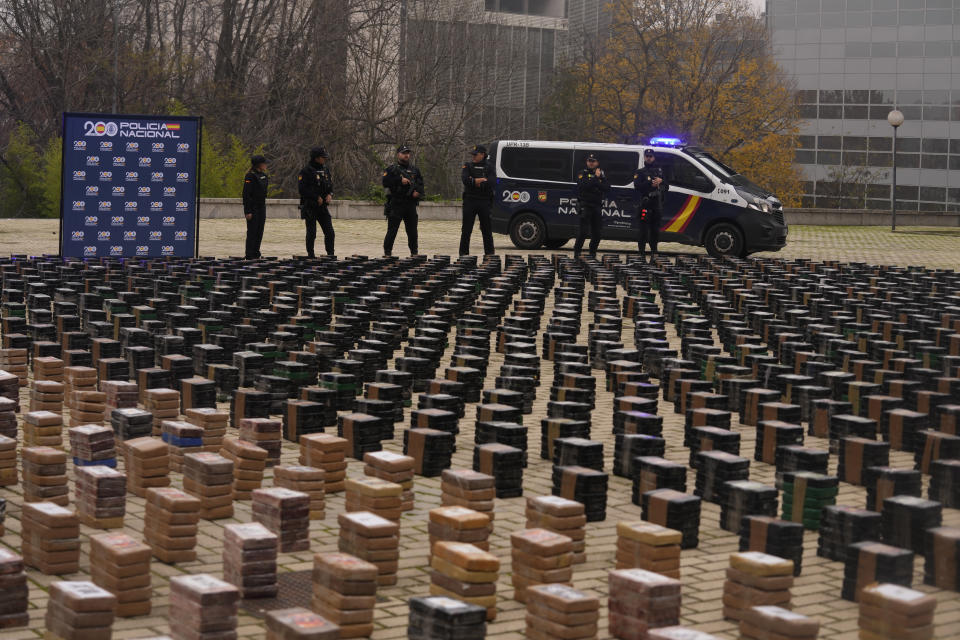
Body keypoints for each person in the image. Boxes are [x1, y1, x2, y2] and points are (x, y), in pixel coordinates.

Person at [382, 144, 424, 256]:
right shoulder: (392, 169)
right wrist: (399, 180)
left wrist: (418, 193)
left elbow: (421, 184)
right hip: (397, 203)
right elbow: (385, 182)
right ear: (398, 154)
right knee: (392, 231)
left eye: (408, 153)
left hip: (410, 204)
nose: (406, 155)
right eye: (404, 153)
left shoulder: (415, 170)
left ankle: (414, 253)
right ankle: (387, 252)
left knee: (412, 232)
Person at [297, 146, 335, 257]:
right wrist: (315, 197)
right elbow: (302, 189)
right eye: (323, 157)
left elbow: (330, 186)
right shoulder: (306, 171)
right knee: (311, 233)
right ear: (316, 158)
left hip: (323, 207)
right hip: (311, 206)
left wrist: (330, 194)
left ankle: (330, 254)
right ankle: (311, 254)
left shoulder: (325, 170)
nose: (325, 159)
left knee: (330, 232)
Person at [633, 147, 669, 263]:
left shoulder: (660, 171)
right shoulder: (640, 172)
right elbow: (637, 186)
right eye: (647, 156)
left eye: (651, 156)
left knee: (655, 232)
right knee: (643, 232)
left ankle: (654, 253)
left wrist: (661, 182)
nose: (649, 158)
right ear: (644, 158)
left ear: (654, 158)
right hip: (645, 204)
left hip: (656, 205)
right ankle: (641, 254)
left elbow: (666, 187)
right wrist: (650, 183)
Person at [458, 144, 495, 257]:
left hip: (484, 201)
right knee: (466, 230)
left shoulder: (489, 167)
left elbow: (492, 182)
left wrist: (474, 181)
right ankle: (463, 255)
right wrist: (478, 181)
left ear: (483, 155)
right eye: (472, 155)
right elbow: (465, 180)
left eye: (476, 154)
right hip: (470, 201)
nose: (473, 157)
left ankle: (489, 255)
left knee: (487, 230)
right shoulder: (468, 166)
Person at [573, 153, 610, 259]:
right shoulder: (582, 173)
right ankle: (577, 252)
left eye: (593, 161)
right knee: (583, 232)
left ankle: (592, 253)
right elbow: (583, 186)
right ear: (587, 162)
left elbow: (607, 188)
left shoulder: (602, 174)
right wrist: (596, 180)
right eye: (589, 161)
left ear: (597, 163)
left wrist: (595, 182)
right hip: (585, 205)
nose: (591, 163)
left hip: (597, 206)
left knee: (597, 233)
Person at [242, 154, 268, 259]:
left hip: (261, 206)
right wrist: (247, 211)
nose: (266, 165)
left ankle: (256, 252)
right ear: (259, 164)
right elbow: (246, 194)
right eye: (264, 163)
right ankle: (249, 254)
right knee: (252, 231)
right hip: (253, 208)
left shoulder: (263, 175)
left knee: (259, 231)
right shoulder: (250, 176)